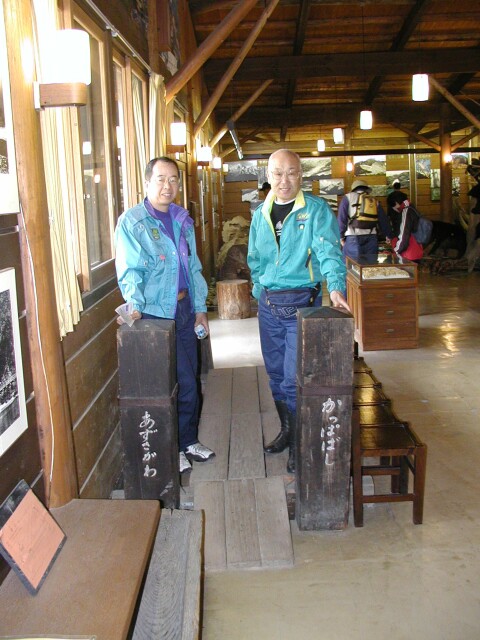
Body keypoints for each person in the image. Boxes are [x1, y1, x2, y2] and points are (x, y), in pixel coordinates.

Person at [247, 149, 351, 474]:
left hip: (302, 305)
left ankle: (298, 442)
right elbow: (254, 259)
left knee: (295, 379)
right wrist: (258, 291)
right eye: (277, 173)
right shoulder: (260, 214)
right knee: (275, 375)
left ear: (301, 175)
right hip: (268, 305)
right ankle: (287, 430)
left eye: (291, 172)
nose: (284, 180)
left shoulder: (316, 210)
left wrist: (336, 287)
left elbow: (329, 251)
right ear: (268, 177)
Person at [115, 156, 215, 474]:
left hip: (184, 310)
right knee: (174, 382)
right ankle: (173, 447)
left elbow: (194, 268)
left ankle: (188, 440)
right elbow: (130, 269)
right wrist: (134, 305)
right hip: (155, 315)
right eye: (160, 179)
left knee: (190, 381)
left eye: (173, 180)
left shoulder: (182, 219)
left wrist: (200, 309)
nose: (167, 186)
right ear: (147, 182)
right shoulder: (133, 222)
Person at [337, 179, 393, 261]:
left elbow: (342, 219)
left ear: (354, 188)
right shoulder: (373, 200)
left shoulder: (348, 197)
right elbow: (383, 220)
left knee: (351, 265)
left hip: (353, 237)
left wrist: (341, 237)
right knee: (369, 265)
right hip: (372, 237)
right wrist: (388, 235)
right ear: (366, 189)